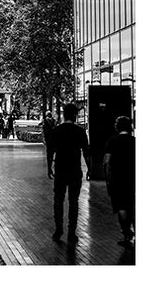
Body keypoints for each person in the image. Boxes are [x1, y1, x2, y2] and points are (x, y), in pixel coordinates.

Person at [47, 103, 90, 244]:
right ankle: (72, 232)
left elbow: (50, 150)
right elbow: (86, 152)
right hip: (75, 170)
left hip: (60, 169)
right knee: (73, 202)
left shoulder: (56, 130)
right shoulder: (80, 131)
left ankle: (58, 229)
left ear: (63, 114)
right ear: (75, 115)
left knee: (58, 200)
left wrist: (49, 167)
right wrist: (89, 168)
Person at [103, 116, 135, 248]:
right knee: (131, 204)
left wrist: (107, 179)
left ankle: (126, 234)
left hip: (117, 178)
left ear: (117, 127)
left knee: (121, 206)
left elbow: (106, 161)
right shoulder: (135, 141)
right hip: (132, 177)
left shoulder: (112, 141)